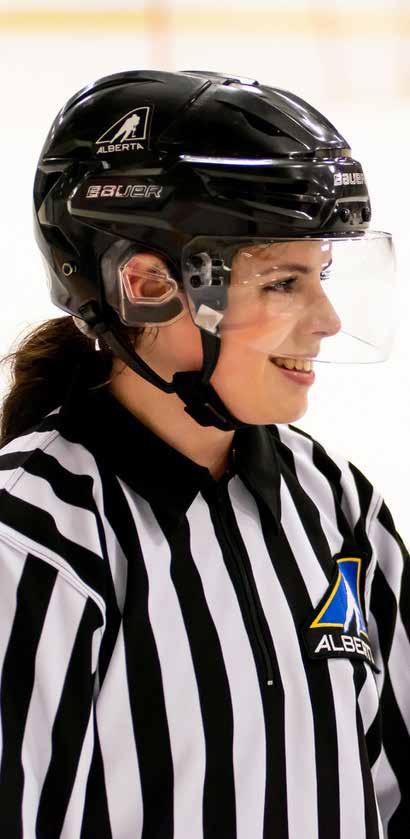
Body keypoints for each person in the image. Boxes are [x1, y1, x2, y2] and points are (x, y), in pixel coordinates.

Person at [0, 69, 408, 839]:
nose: (326, 318)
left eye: (319, 274)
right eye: (282, 282)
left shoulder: (337, 506)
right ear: (146, 284)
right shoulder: (33, 541)